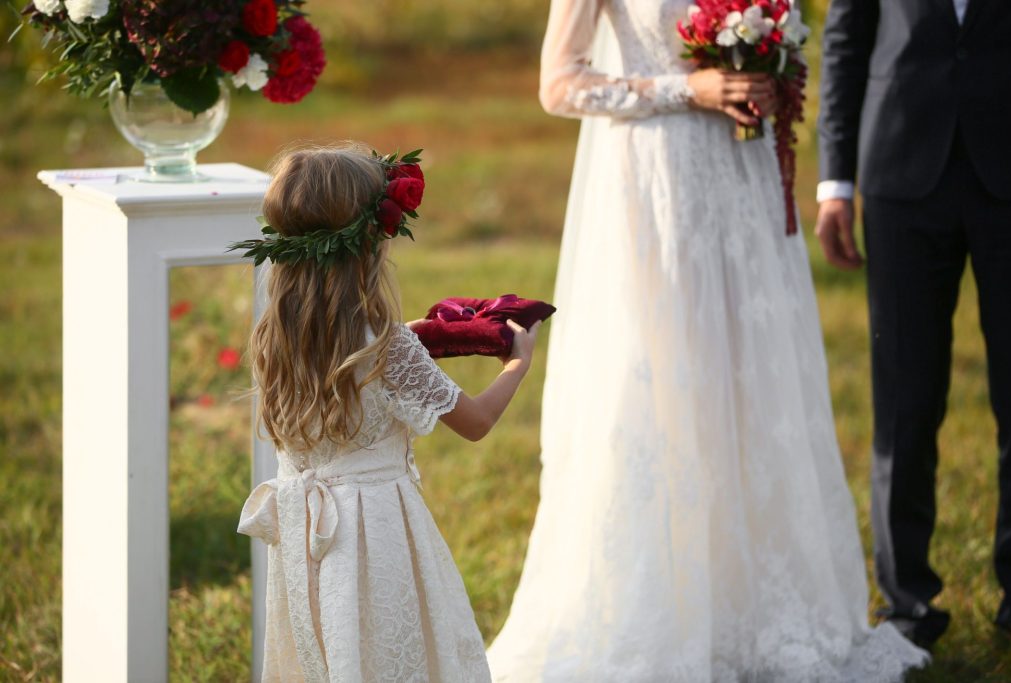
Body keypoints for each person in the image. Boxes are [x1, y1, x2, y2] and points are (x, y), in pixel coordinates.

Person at [486, 1, 928, 680]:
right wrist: (686, 89)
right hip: (654, 183)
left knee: (755, 385)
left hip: (742, 180)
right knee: (666, 381)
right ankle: (667, 608)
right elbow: (559, 83)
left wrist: (765, 74)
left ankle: (759, 608)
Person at [234, 144, 538, 682]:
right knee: (388, 651)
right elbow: (474, 423)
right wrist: (518, 363)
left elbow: (357, 362)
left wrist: (414, 338)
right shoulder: (387, 350)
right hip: (376, 537)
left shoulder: (274, 337)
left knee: (329, 650)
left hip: (308, 541)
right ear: (369, 245)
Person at [817, 0, 1011, 648]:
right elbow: (846, 41)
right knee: (905, 401)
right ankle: (908, 601)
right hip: (901, 174)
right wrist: (834, 182)